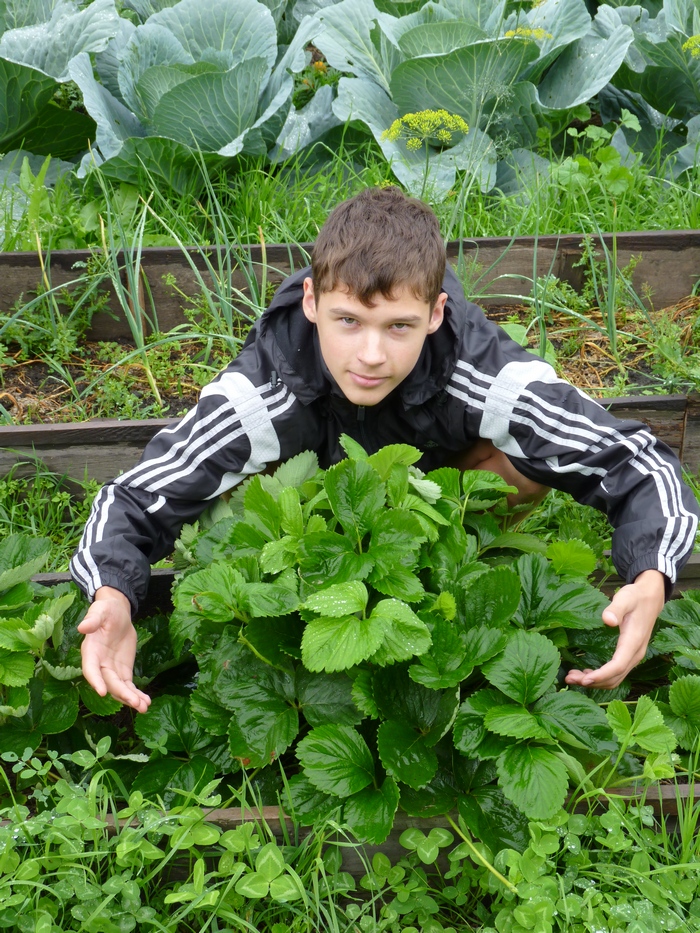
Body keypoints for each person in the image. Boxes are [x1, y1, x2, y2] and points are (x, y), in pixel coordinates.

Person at [72, 186, 699, 713]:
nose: (371, 355)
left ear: (435, 313)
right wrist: (113, 594)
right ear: (312, 303)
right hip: (306, 510)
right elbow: (135, 496)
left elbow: (632, 458)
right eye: (348, 321)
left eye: (399, 326)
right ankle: (272, 609)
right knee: (224, 483)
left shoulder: (480, 369)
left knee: (524, 463)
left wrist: (650, 574)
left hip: (428, 496)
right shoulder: (265, 388)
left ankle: (447, 576)